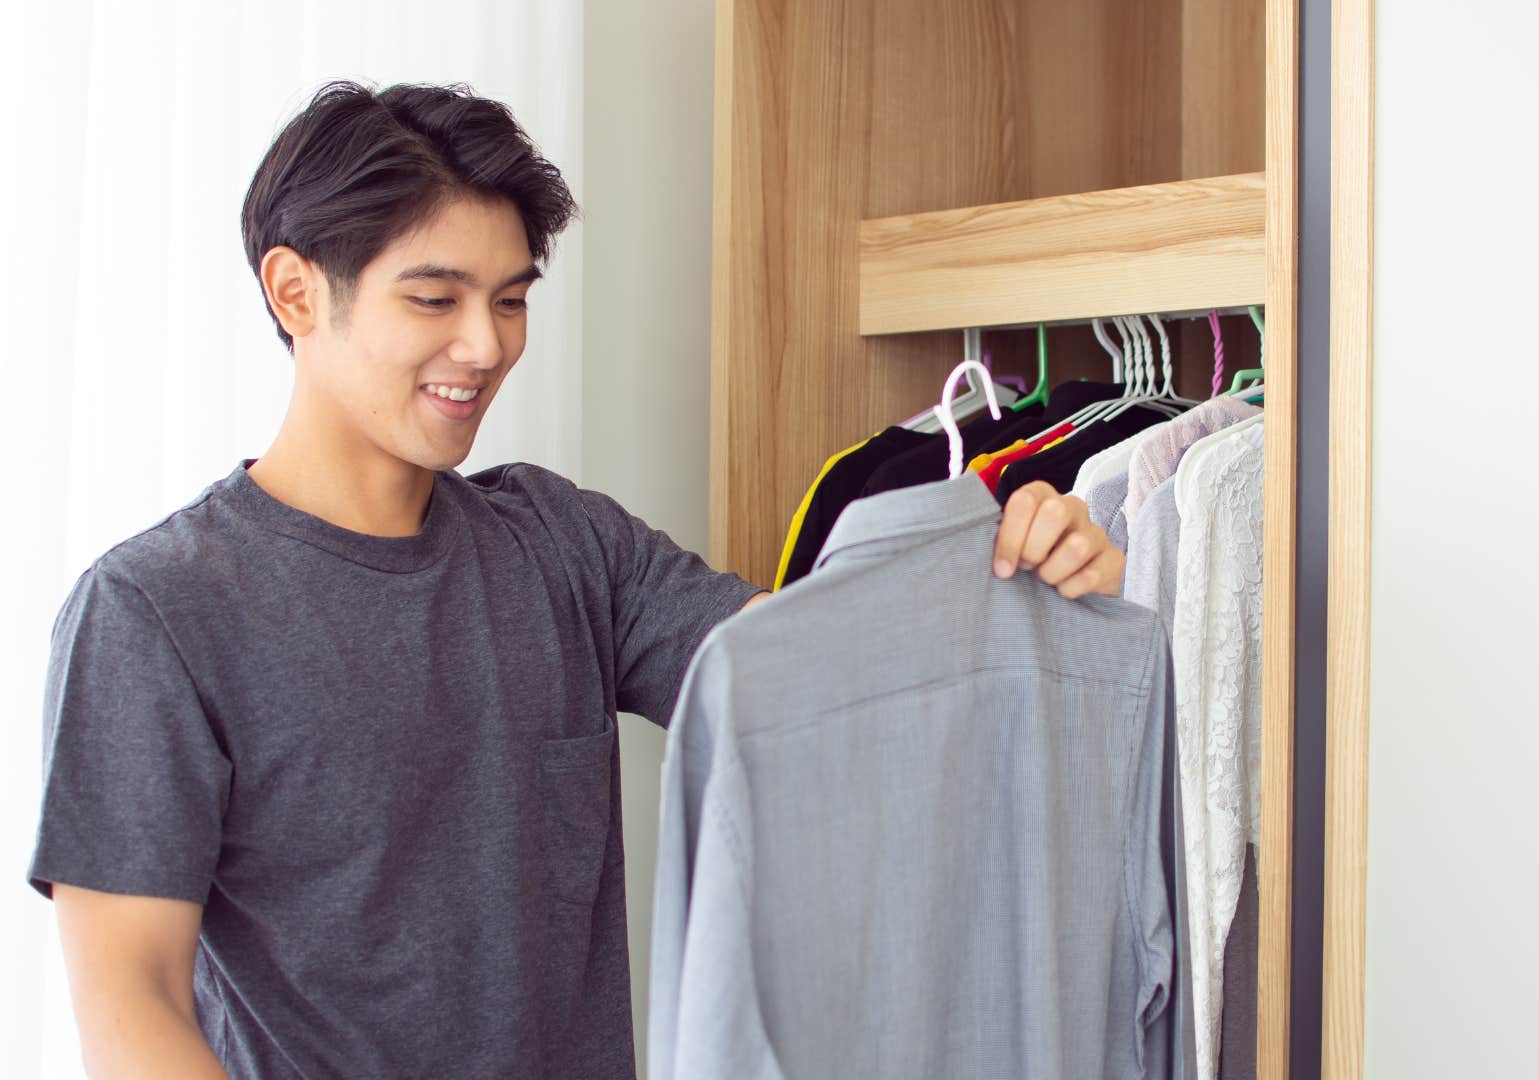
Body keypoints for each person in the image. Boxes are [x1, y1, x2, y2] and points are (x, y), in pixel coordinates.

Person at [28, 80, 1124, 1079]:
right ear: (296, 292)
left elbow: (839, 682)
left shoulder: (560, 544)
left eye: (510, 300)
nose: (484, 346)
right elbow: (130, 1007)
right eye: (434, 299)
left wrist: (1020, 565)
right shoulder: (155, 611)